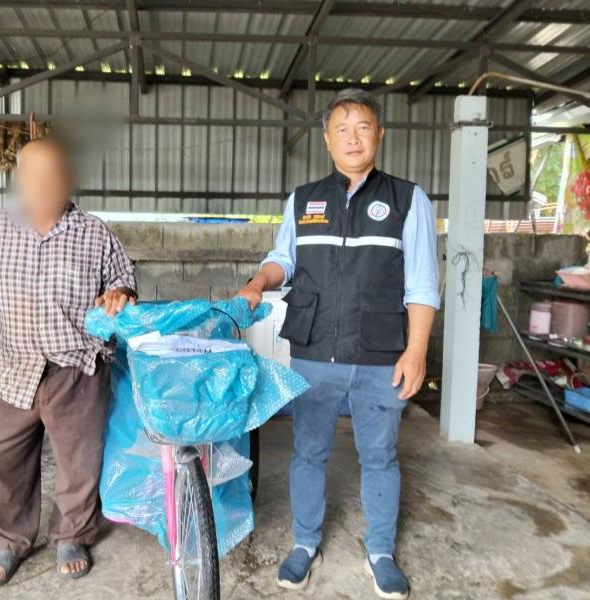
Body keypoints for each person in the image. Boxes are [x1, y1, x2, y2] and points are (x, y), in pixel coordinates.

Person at [237, 88, 439, 599]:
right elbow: (283, 258)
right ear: (327, 139)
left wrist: (416, 350)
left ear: (379, 135)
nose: (353, 138)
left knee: (380, 456)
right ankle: (305, 543)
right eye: (342, 129)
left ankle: (381, 552)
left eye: (363, 127)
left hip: (380, 354)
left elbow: (421, 284)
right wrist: (259, 281)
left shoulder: (407, 199)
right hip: (314, 352)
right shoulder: (303, 200)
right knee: (308, 452)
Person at [0, 137, 137, 586]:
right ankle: (7, 540)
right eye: (33, 174)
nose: (43, 183)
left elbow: (124, 285)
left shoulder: (94, 233)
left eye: (53, 174)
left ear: (69, 179)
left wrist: (118, 295)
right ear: (19, 178)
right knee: (0, 459)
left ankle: (72, 535)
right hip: (15, 366)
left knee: (80, 462)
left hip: (76, 367)